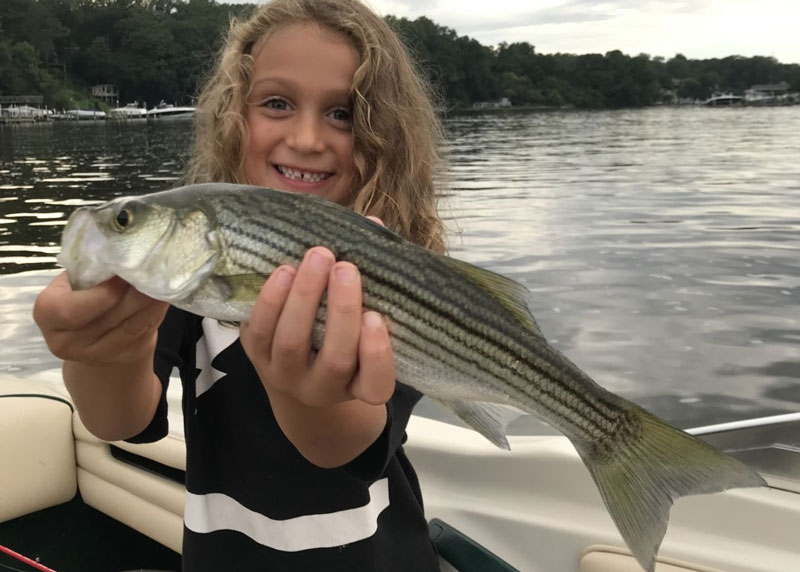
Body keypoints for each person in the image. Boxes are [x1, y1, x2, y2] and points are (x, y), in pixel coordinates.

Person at [33, 0, 447, 570]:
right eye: (277, 103)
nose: (305, 138)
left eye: (344, 113)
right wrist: (104, 351)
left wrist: (311, 398)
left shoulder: (400, 274)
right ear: (235, 115)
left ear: (383, 134)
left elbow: (347, 448)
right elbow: (119, 423)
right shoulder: (189, 276)